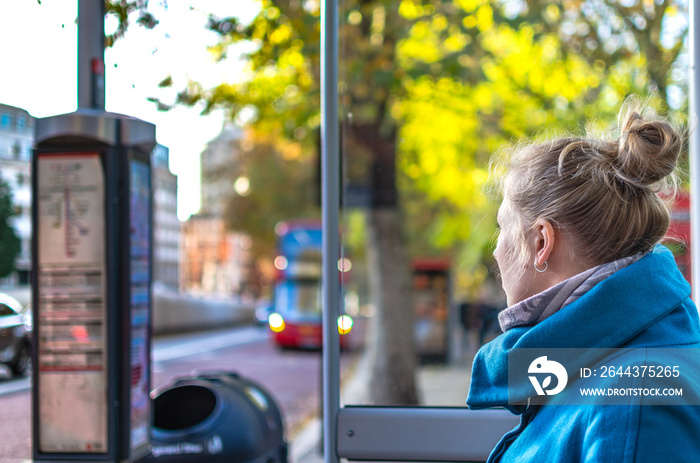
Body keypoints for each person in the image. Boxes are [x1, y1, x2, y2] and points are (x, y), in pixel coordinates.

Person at [467, 98, 700, 462]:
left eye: (502, 228)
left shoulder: (636, 398)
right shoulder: (598, 364)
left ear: (541, 242)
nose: (496, 252)